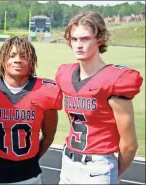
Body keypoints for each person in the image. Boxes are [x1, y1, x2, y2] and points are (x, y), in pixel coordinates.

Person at [55, 12, 143, 184]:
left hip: (97, 167)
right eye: (74, 39)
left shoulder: (115, 80)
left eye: (85, 39)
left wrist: (111, 174)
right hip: (67, 163)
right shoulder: (64, 74)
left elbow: (129, 144)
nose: (78, 45)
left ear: (100, 39)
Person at [0, 36, 63, 184]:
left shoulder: (47, 91)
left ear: (32, 61)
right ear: (2, 59)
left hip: (29, 175)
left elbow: (48, 136)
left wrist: (31, 159)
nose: (18, 60)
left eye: (24, 56)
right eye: (12, 55)